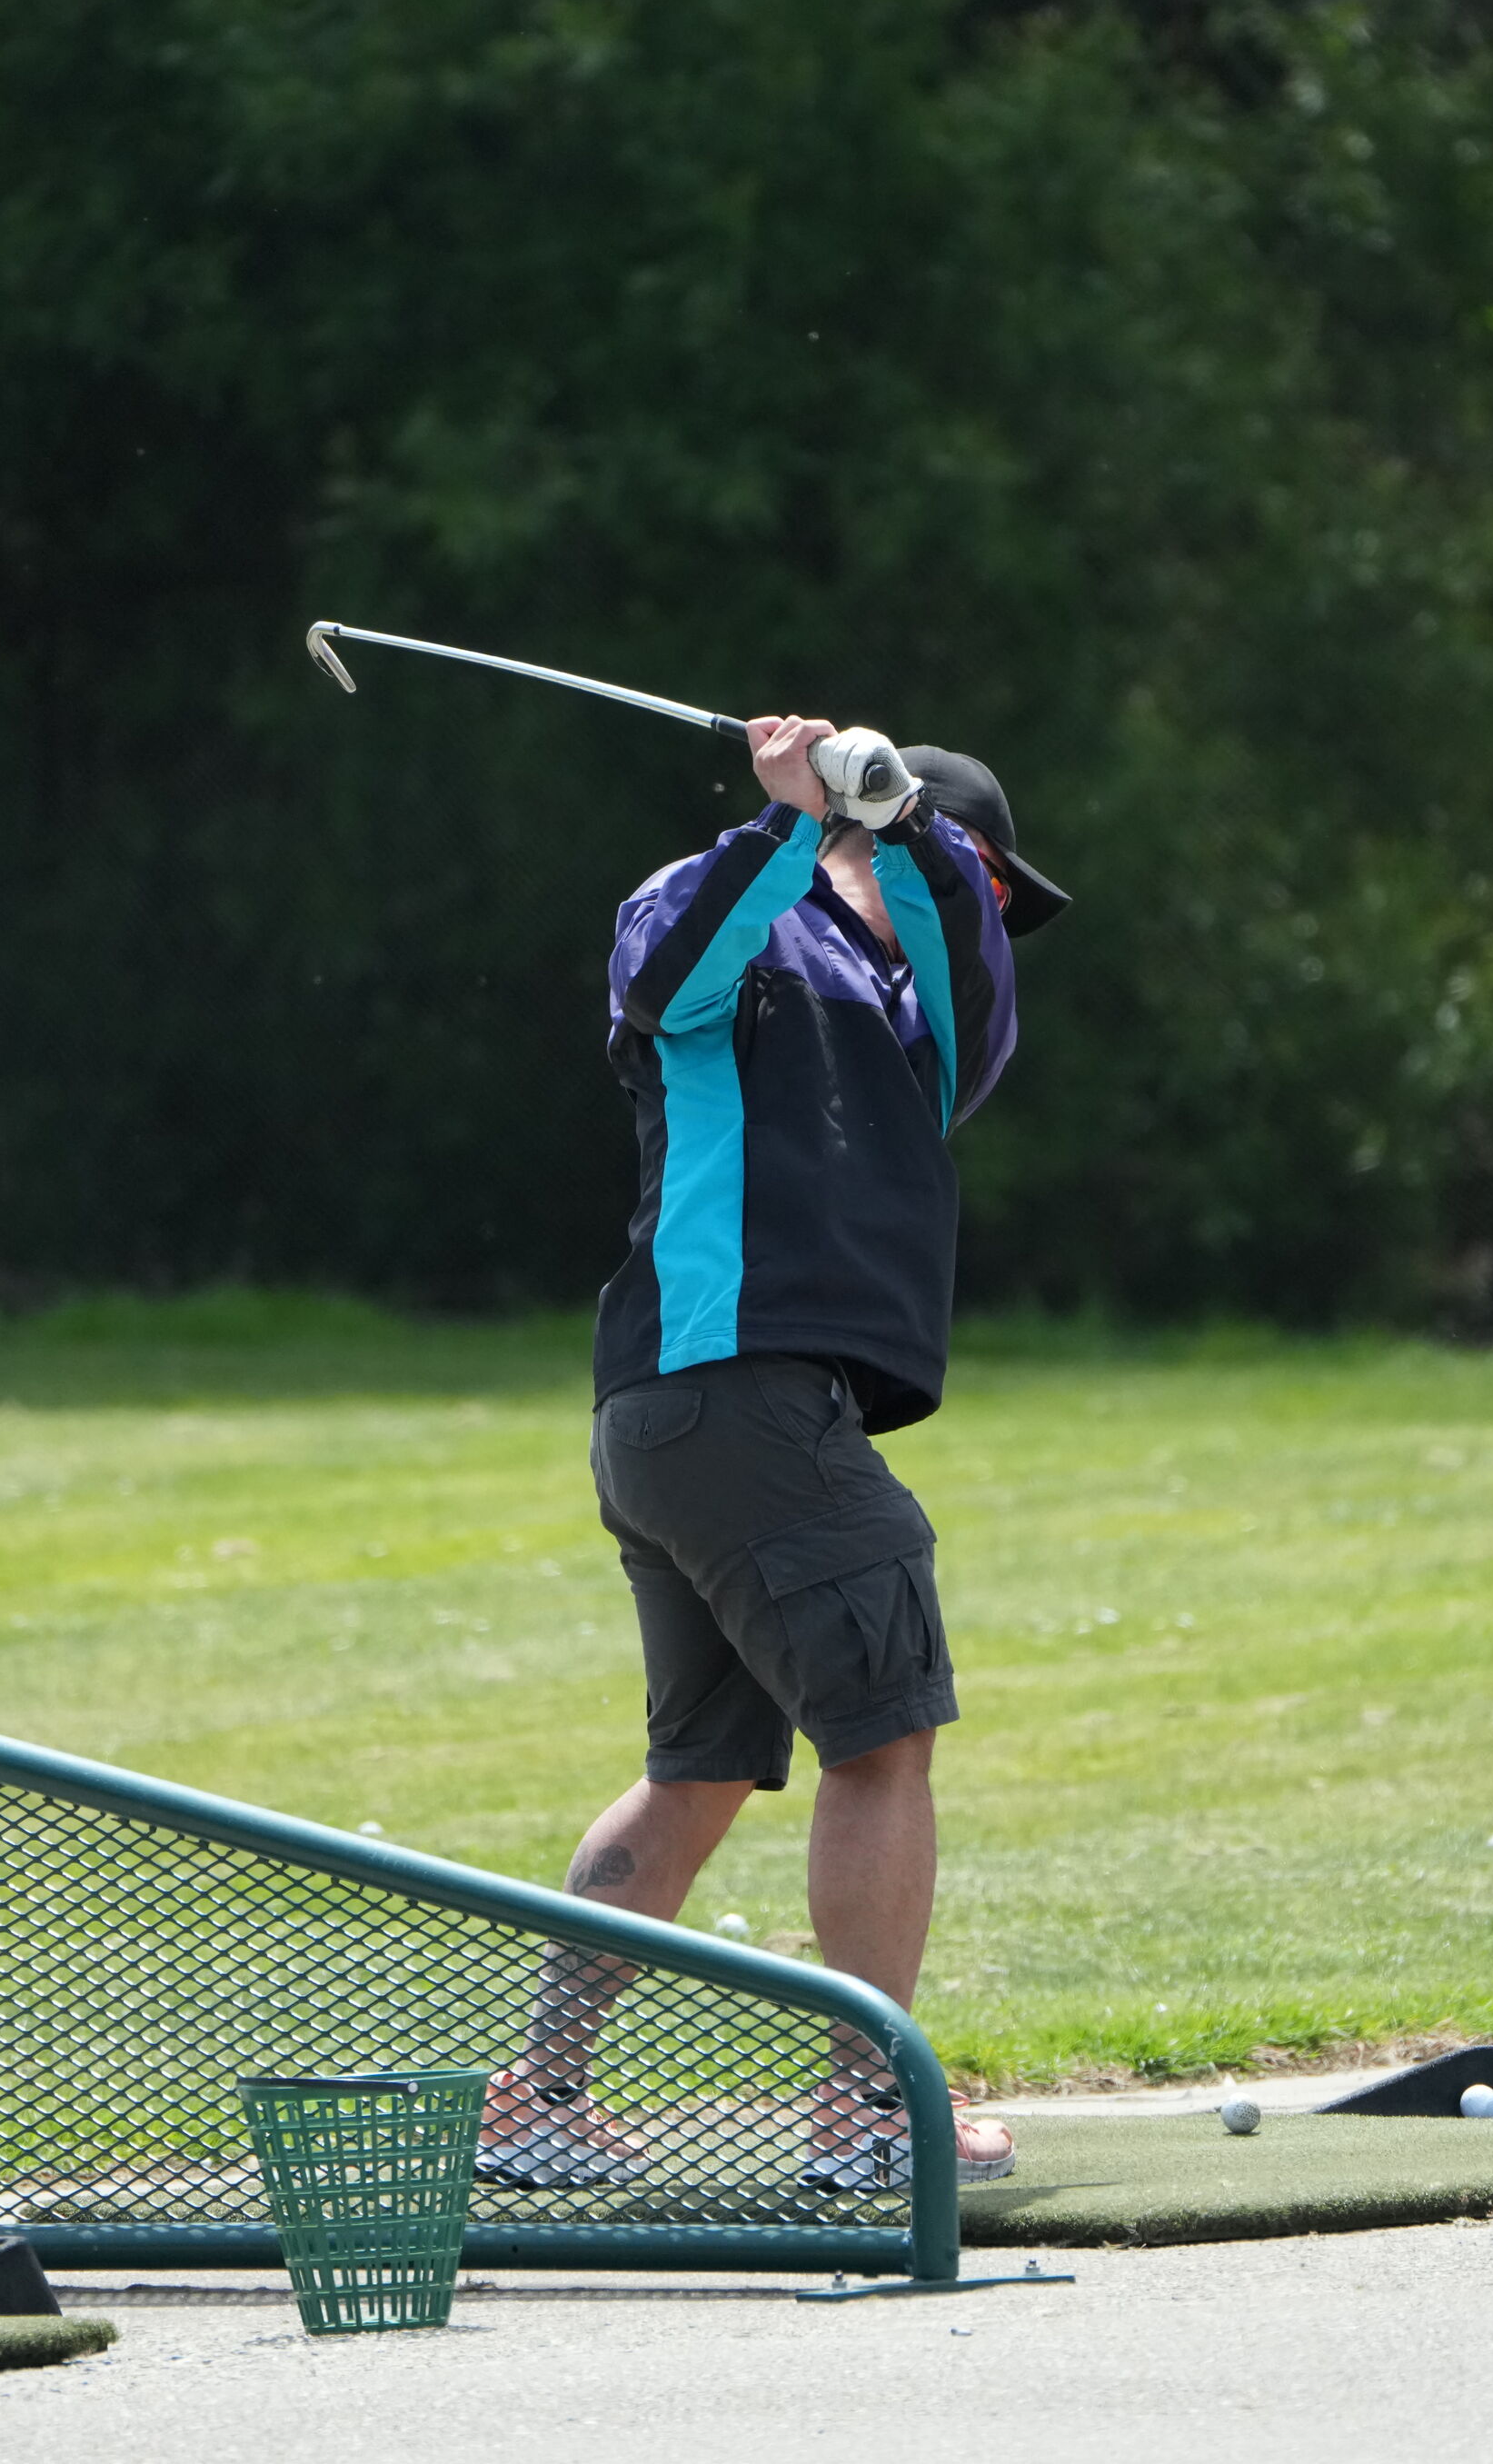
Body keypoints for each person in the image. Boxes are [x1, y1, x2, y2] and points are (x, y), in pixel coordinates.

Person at [476, 711, 1068, 2197]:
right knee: (883, 1741)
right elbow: (674, 976)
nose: (995, 918)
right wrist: (794, 825)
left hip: (700, 1418)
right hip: (724, 1398)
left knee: (702, 1769)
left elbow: (971, 989)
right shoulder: (708, 908)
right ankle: (867, 2119)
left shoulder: (924, 1011)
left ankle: (537, 2100)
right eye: (996, 883)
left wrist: (895, 826)